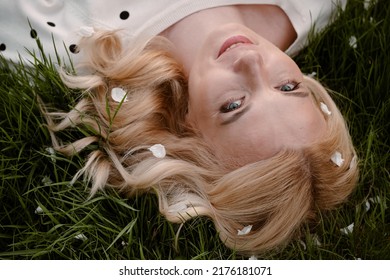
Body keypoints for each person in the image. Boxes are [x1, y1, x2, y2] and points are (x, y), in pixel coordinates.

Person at [0, 1, 358, 255]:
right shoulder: (314, 6)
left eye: (233, 105)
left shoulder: (63, 41)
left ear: (189, 131)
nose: (251, 60)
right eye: (287, 88)